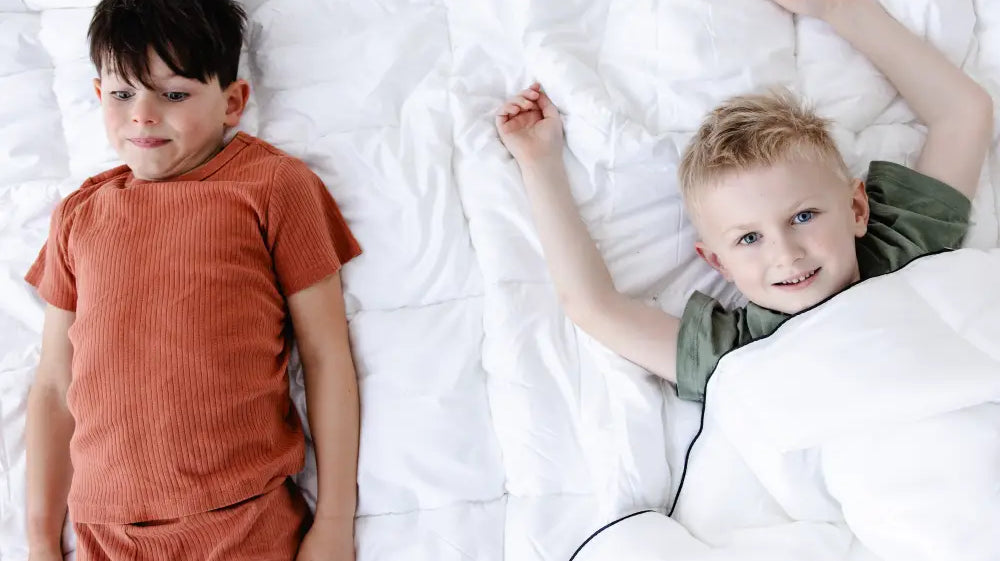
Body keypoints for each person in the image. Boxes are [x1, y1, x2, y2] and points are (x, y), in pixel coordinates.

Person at [495, 0, 993, 402]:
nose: (786, 253)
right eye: (749, 238)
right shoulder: (735, 352)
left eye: (803, 216)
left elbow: (964, 113)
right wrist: (540, 164)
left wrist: (839, 9)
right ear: (717, 262)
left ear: (857, 210)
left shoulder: (901, 245)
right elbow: (593, 306)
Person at [24, 1, 361, 559]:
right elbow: (54, 386)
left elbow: (326, 355)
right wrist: (39, 540)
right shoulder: (78, 216)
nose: (143, 115)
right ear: (97, 95)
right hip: (105, 531)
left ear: (232, 102)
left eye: (174, 94)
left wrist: (334, 523)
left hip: (242, 522)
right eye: (123, 94)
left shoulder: (273, 186)